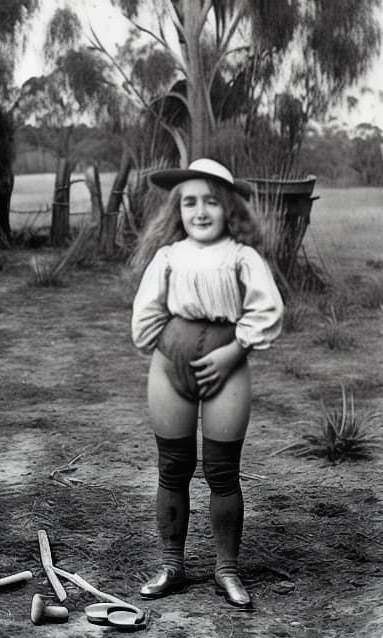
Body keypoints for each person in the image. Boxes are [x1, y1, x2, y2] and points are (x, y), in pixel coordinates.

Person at [131, 158, 283, 609]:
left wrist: (232, 351)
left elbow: (266, 312)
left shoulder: (242, 256)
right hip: (169, 372)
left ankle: (227, 569)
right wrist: (173, 348)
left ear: (228, 208)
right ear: (177, 210)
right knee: (173, 468)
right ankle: (172, 565)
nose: (200, 212)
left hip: (227, 368)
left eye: (211, 202)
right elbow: (146, 314)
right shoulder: (168, 256)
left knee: (221, 472)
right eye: (190, 203)